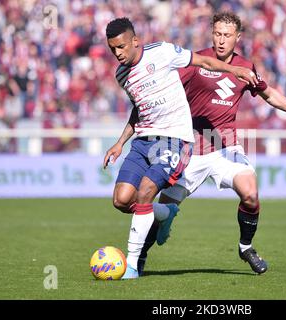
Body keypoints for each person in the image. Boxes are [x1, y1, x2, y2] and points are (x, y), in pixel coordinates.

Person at [136, 12, 286, 275]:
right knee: (163, 209)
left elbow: (269, 95)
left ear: (238, 37)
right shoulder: (195, 61)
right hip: (190, 149)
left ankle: (245, 246)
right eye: (217, 34)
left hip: (226, 148)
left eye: (227, 35)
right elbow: (165, 93)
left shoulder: (246, 67)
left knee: (250, 194)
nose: (221, 40)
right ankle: (140, 257)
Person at [103, 17, 258, 279]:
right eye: (112, 49)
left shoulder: (163, 52)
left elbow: (205, 62)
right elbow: (139, 110)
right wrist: (120, 142)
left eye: (121, 47)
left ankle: (131, 266)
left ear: (135, 41)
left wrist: (235, 71)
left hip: (175, 139)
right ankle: (165, 212)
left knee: (145, 194)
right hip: (143, 141)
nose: (117, 53)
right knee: (121, 200)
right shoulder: (122, 75)